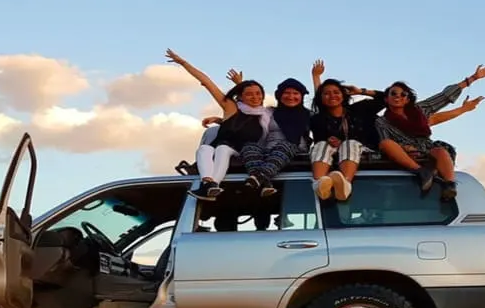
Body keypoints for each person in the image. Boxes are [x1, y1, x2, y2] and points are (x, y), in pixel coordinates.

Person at [376, 64, 485, 200]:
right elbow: (385, 143)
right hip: (404, 152)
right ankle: (421, 172)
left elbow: (443, 96)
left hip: (426, 146)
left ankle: (450, 186)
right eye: (393, 93)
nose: (398, 96)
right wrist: (404, 147)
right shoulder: (382, 121)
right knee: (385, 143)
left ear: (407, 99)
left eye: (403, 94)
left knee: (440, 152)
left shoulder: (420, 109)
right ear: (386, 98)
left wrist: (472, 78)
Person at [165, 48, 268, 201]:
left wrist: (240, 84)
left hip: (245, 152)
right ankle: (209, 184)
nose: (255, 97)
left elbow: (247, 123)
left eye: (258, 93)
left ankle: (212, 183)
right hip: (222, 146)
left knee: (222, 149)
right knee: (205, 149)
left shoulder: (267, 114)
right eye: (249, 94)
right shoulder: (231, 108)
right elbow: (207, 83)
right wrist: (183, 63)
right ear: (240, 96)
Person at [219, 68, 313, 197]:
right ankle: (264, 182)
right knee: (249, 147)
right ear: (279, 95)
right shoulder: (270, 112)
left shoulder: (308, 115)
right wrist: (220, 121)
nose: (291, 97)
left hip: (294, 149)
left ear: (301, 96)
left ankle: (259, 176)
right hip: (267, 149)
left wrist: (316, 77)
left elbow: (324, 115)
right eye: (287, 93)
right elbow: (248, 113)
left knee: (285, 145)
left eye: (296, 93)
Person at [305, 59, 385, 201]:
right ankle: (319, 183)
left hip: (361, 149)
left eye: (336, 92)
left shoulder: (359, 109)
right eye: (327, 94)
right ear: (321, 98)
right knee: (321, 145)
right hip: (331, 152)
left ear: (343, 95)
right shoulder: (318, 119)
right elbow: (320, 138)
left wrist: (361, 91)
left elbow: (385, 98)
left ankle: (345, 183)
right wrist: (329, 139)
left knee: (350, 143)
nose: (332, 96)